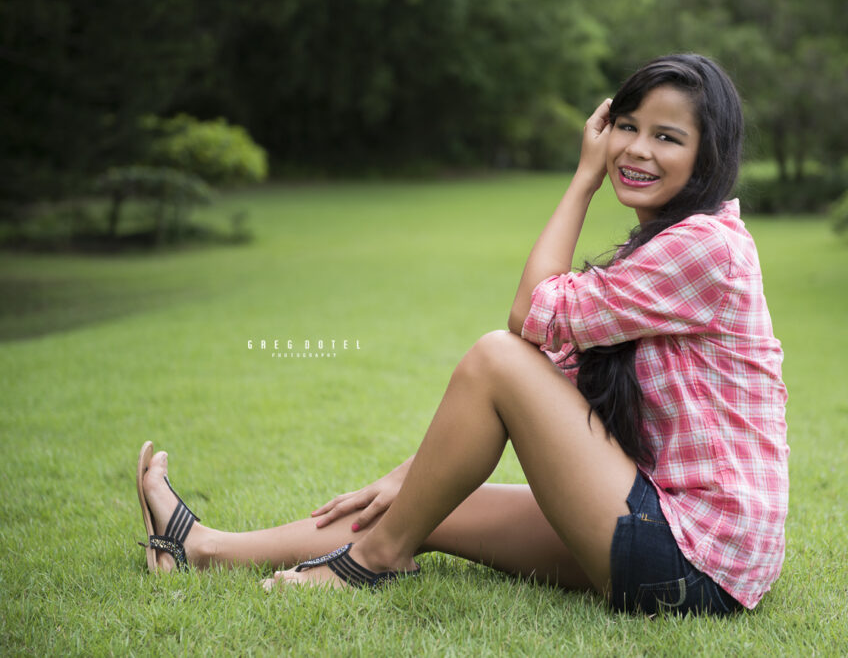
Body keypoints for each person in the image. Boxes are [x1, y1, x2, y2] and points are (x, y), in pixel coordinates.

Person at [135, 53, 789, 616]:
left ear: (709, 154)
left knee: (496, 356)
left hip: (693, 563)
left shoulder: (707, 247)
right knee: (428, 503)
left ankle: (373, 559)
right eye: (626, 126)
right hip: (666, 534)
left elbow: (530, 319)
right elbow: (557, 374)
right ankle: (202, 548)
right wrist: (412, 475)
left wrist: (585, 177)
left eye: (667, 137)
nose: (637, 149)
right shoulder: (667, 247)